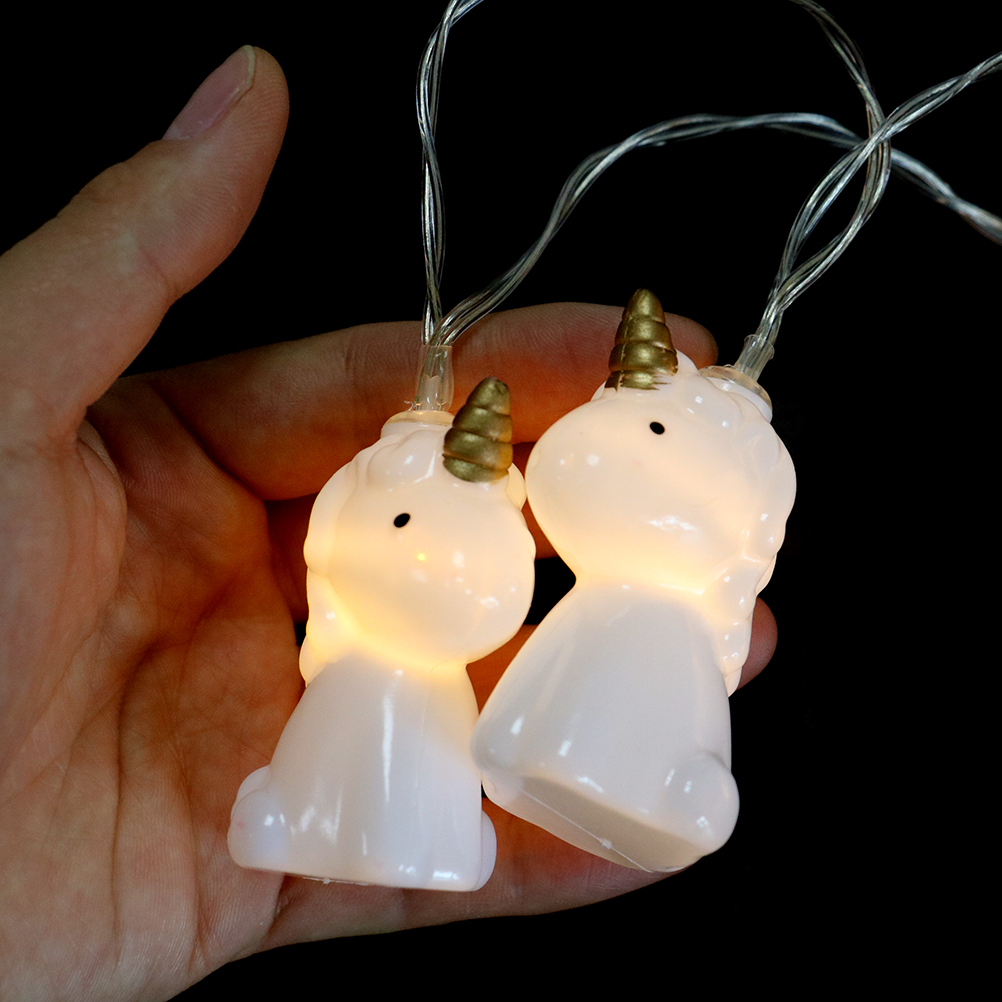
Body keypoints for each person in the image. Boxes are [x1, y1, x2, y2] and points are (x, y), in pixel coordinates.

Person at [0, 46, 782, 999]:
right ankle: (338, 812)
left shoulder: (674, 606)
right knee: (385, 740)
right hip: (446, 727)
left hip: (583, 757)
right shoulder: (371, 595)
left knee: (511, 741)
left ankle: (512, 807)